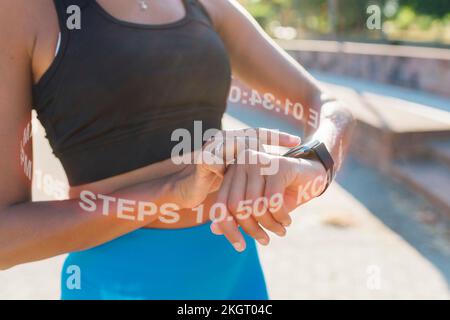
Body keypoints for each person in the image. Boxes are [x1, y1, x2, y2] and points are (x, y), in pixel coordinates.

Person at [0, 0, 354, 299]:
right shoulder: (25, 11)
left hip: (235, 269)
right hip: (120, 282)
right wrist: (173, 191)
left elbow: (326, 105)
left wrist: (312, 161)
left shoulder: (205, 5)